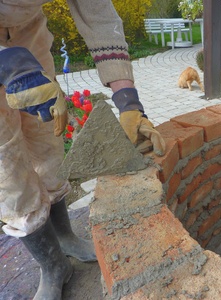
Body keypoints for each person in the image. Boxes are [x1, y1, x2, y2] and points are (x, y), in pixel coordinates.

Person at [0, 1, 166, 299]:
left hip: (28, 34)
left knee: (47, 138)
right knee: (8, 168)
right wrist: (7, 63)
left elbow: (99, 16)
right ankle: (52, 267)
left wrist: (128, 102)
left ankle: (65, 237)